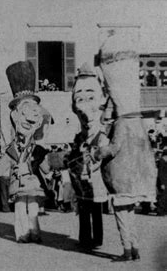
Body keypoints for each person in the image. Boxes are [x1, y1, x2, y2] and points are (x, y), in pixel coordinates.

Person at [93, 31, 157, 262]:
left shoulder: (122, 123)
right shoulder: (135, 121)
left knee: (122, 217)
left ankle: (127, 250)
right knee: (130, 215)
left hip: (121, 179)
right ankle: (135, 248)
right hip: (133, 177)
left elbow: (114, 148)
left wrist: (98, 151)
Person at [0, 61, 51, 243]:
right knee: (20, 208)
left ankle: (34, 233)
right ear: (15, 117)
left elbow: (47, 168)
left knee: (33, 207)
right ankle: (23, 234)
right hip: (17, 185)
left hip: (32, 184)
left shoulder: (37, 148)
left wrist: (63, 161)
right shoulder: (11, 150)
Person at [67, 63, 109, 250]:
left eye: (91, 97)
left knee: (96, 211)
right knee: (84, 212)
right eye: (80, 99)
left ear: (102, 98)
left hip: (96, 182)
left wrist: (91, 157)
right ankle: (85, 239)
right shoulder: (78, 137)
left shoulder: (103, 135)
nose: (85, 107)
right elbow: (73, 158)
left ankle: (97, 240)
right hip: (82, 184)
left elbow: (103, 157)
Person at [157, 150, 167, 216]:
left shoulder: (164, 162)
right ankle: (160, 211)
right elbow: (160, 173)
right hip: (162, 182)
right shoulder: (161, 161)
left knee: (165, 196)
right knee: (162, 197)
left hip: (165, 181)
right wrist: (162, 183)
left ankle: (164, 211)